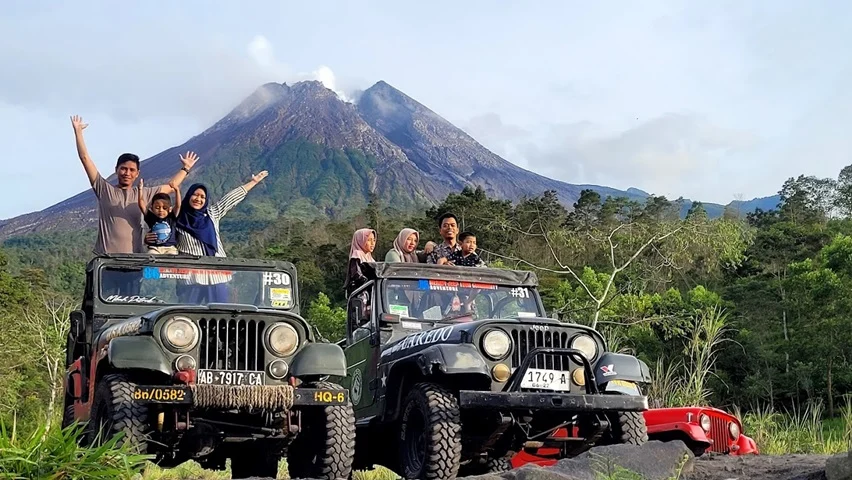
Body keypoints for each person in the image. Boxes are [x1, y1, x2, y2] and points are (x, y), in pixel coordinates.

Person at [70, 115, 198, 255]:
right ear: (116, 170)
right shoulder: (104, 190)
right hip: (107, 261)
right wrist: (78, 132)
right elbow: (85, 159)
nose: (127, 173)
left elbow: (171, 186)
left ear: (137, 174)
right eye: (123, 168)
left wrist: (185, 169)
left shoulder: (144, 194)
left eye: (132, 170)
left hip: (135, 260)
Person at [173, 171, 269, 303]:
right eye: (195, 194)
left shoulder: (212, 214)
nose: (198, 199)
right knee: (186, 315)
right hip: (190, 276)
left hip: (217, 274)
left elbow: (230, 199)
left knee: (218, 314)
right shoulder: (178, 218)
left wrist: (253, 182)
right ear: (189, 195)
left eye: (202, 197)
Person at [137, 179, 181, 254]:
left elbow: (178, 205)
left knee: (172, 257)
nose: (161, 210)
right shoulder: (151, 218)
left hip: (170, 248)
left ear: (170, 209)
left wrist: (177, 190)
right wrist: (140, 190)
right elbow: (141, 205)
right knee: (151, 255)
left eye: (164, 208)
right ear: (152, 208)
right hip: (155, 248)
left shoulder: (171, 217)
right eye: (157, 208)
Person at [344, 228, 377, 298]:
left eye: (373, 240)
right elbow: (356, 274)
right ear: (360, 241)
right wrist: (368, 281)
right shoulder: (356, 255)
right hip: (360, 293)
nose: (372, 243)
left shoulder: (370, 257)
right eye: (368, 240)